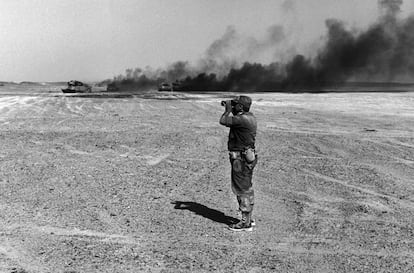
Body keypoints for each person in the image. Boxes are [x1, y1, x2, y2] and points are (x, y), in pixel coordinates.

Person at [219, 95, 258, 231]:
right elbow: (236, 115)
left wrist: (227, 109)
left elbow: (223, 120)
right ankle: (248, 218)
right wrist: (231, 105)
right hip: (246, 156)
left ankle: (245, 222)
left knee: (241, 188)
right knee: (246, 187)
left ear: (241, 107)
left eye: (236, 105)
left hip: (239, 159)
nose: (234, 106)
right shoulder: (249, 117)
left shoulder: (241, 119)